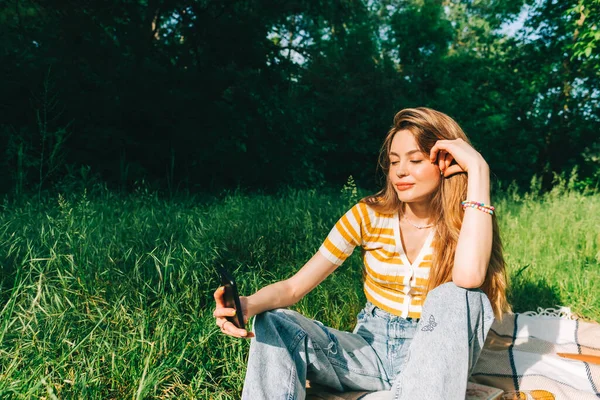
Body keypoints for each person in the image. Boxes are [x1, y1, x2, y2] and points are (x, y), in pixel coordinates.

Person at [213, 107, 511, 400]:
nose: (400, 171)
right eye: (394, 162)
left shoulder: (470, 219)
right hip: (370, 350)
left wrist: (478, 171)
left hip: (433, 359)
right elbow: (293, 287)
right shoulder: (368, 215)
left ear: (446, 161)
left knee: (457, 296)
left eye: (415, 159)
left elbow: (469, 279)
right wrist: (248, 304)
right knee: (274, 322)